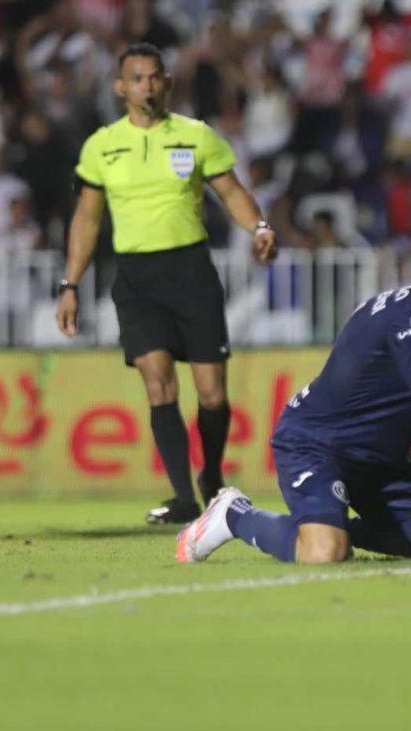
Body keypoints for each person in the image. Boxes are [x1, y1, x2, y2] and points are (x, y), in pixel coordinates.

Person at [175, 281, 411, 566]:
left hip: (384, 458)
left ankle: (342, 526)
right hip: (316, 443)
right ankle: (234, 515)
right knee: (324, 553)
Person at [55, 42, 277, 525]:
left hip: (191, 271)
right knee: (158, 385)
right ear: (121, 87)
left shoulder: (197, 136)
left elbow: (232, 193)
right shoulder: (101, 146)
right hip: (136, 277)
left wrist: (258, 227)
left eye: (155, 77)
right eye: (137, 78)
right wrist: (69, 283)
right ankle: (182, 498)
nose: (147, 86)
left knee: (212, 392)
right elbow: (87, 221)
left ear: (168, 82)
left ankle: (212, 476)